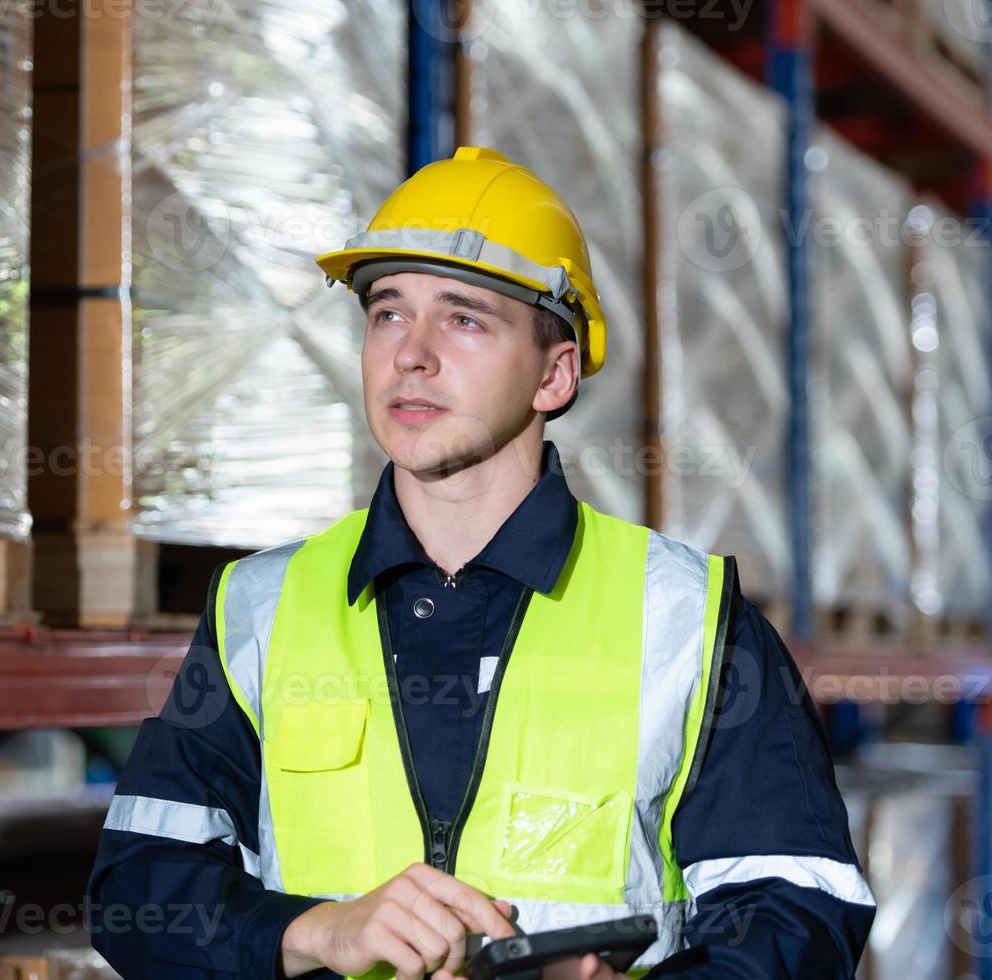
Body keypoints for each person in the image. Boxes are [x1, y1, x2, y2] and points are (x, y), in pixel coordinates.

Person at [85, 146, 874, 979]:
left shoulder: (691, 618)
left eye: (463, 318)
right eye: (387, 312)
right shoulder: (262, 604)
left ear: (554, 375)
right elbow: (137, 892)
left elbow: (798, 918)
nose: (411, 354)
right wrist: (316, 928)